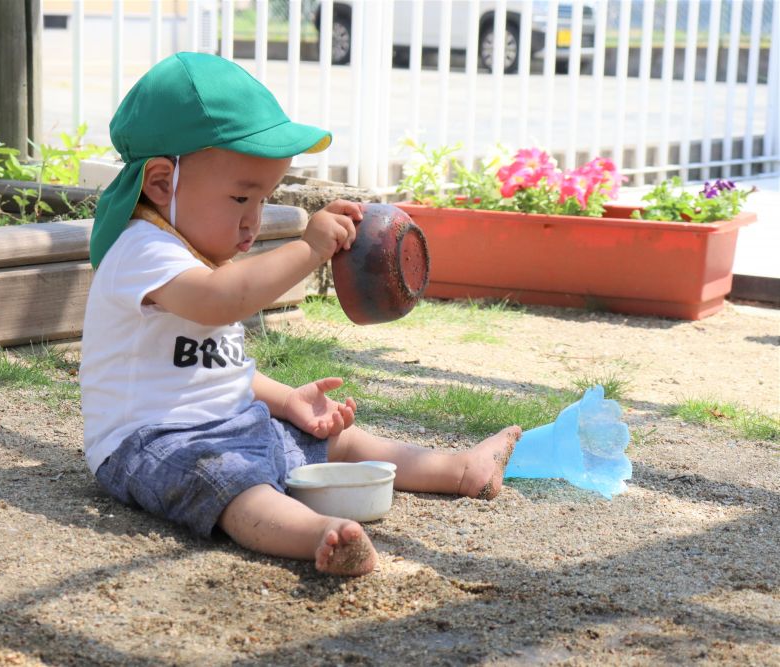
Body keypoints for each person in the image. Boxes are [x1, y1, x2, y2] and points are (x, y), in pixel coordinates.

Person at [81, 52, 521, 576]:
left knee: (337, 440)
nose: (253, 221)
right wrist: (308, 250)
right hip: (152, 442)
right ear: (160, 184)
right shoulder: (141, 251)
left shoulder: (199, 255)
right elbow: (223, 299)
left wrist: (288, 400)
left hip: (231, 422)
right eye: (241, 197)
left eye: (263, 199)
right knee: (231, 485)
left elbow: (215, 370)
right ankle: (320, 534)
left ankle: (459, 469)